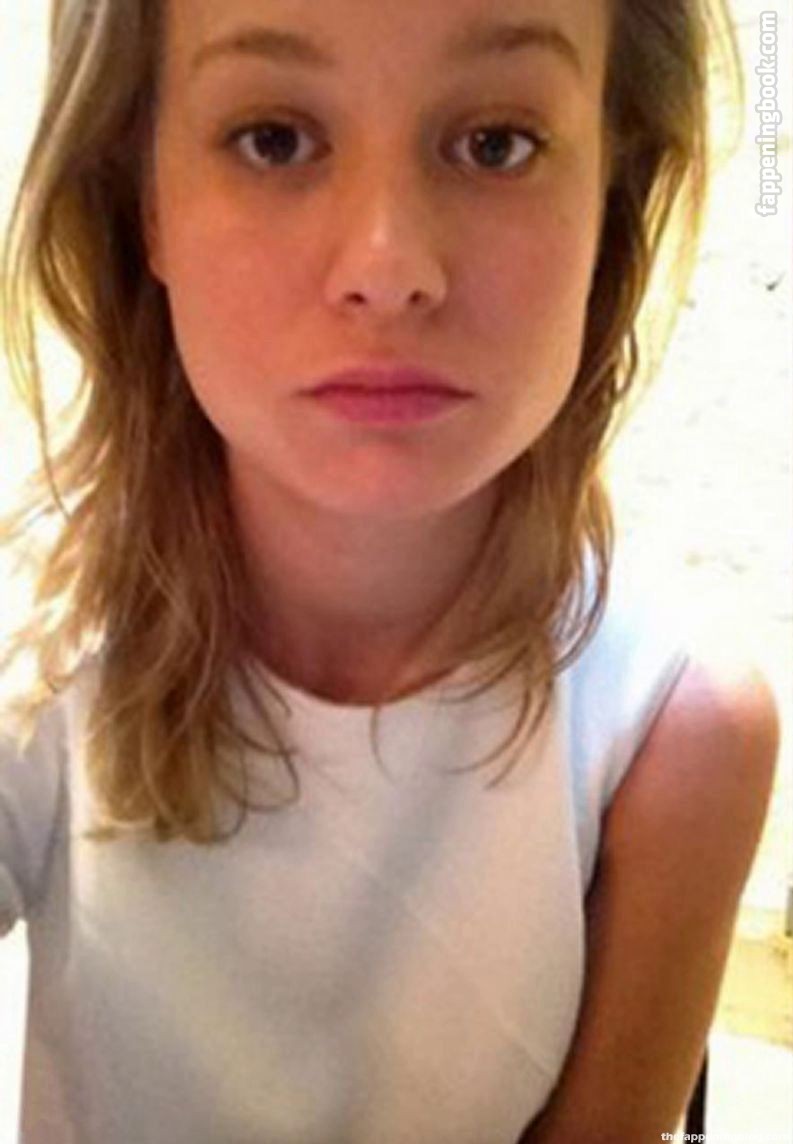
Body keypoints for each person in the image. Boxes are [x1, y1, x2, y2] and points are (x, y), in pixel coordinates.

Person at [0, 0, 780, 1141]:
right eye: (274, 138)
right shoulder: (37, 652)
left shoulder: (672, 732)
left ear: (610, 196)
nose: (390, 266)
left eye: (496, 143)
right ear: (144, 198)